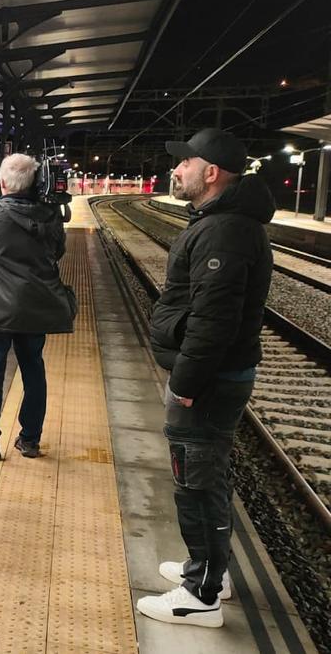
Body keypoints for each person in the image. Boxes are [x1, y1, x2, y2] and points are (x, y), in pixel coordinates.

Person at [137, 128, 273, 628]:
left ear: (210, 172)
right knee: (206, 476)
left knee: (196, 479)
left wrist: (186, 383)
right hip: (217, 377)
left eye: (184, 163)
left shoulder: (225, 230)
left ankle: (201, 594)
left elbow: (214, 320)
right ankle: (211, 569)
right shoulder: (225, 222)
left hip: (209, 383)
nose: (175, 170)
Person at [0, 154, 75, 462]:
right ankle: (29, 441)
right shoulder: (50, 215)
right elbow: (60, 250)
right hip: (36, 306)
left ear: (2, 183)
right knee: (33, 370)